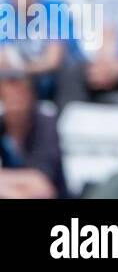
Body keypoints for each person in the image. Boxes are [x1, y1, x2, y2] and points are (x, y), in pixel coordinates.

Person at [0, 55, 67, 198]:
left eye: (19, 96)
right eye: (8, 97)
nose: (14, 103)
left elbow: (41, 187)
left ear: (31, 96)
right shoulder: (2, 125)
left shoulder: (46, 124)